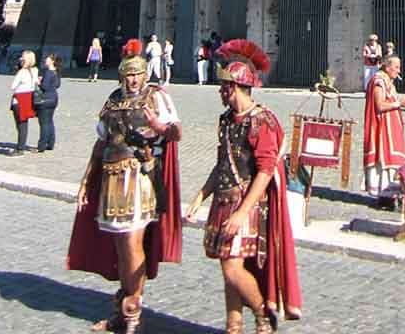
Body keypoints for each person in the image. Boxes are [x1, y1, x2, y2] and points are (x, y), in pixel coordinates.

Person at [67, 38, 182, 334]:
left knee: (132, 243)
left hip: (140, 177)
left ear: (146, 74)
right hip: (111, 178)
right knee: (120, 246)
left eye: (137, 74)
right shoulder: (113, 99)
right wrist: (85, 181)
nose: (132, 80)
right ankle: (123, 309)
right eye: (128, 75)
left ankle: (132, 311)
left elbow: (176, 133)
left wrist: (158, 126)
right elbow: (100, 141)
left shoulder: (156, 97)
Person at [186, 38, 302, 332]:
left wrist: (241, 213)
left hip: (247, 205)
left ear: (235, 87)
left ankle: (264, 313)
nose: (220, 91)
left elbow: (265, 172)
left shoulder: (261, 122)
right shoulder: (227, 119)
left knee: (232, 268)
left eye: (224, 86)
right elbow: (222, 164)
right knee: (228, 269)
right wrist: (200, 196)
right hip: (223, 200)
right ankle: (233, 325)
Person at [363, 55, 405, 200]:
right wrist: (399, 104)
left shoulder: (387, 81)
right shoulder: (379, 81)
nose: (399, 71)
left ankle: (391, 194)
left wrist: (404, 99)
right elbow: (380, 105)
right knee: (385, 158)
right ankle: (385, 194)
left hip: (391, 126)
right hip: (383, 129)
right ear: (387, 67)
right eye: (396, 67)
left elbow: (391, 98)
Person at [9, 49, 38, 154]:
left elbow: (12, 86)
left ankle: (20, 148)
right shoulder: (35, 70)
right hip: (29, 98)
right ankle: (21, 145)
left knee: (20, 124)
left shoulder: (22, 72)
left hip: (19, 99)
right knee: (24, 123)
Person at [36, 52, 61, 152]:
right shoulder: (56, 72)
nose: (45, 60)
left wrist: (39, 82)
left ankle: (41, 145)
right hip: (54, 98)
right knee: (50, 121)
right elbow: (57, 85)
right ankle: (51, 143)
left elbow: (44, 87)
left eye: (47, 59)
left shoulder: (48, 72)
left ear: (52, 61)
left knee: (44, 123)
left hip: (45, 99)